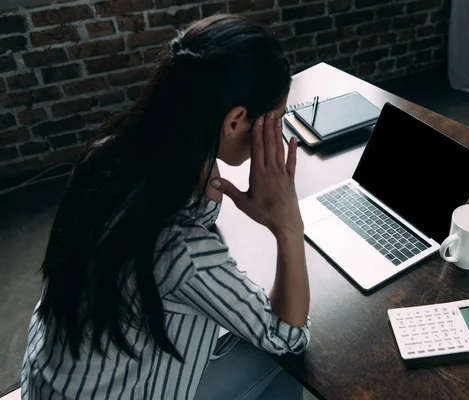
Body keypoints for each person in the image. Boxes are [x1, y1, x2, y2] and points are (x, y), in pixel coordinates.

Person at [21, 14, 310, 400]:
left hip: (51, 382)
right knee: (285, 362)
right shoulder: (182, 250)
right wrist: (289, 226)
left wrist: (209, 180)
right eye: (274, 121)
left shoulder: (107, 154)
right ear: (237, 120)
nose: (277, 133)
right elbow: (287, 334)